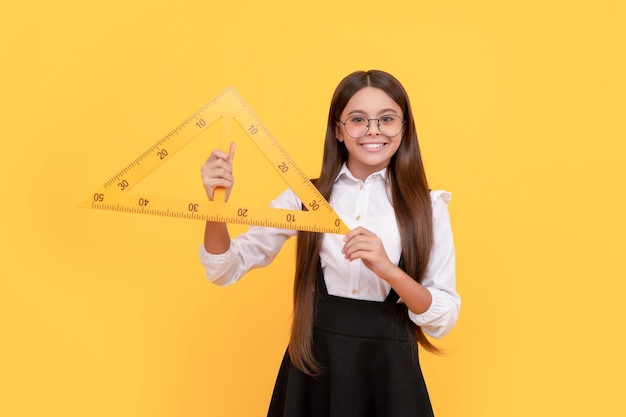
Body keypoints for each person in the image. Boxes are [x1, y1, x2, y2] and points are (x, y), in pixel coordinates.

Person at [199, 70, 460, 417]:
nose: (373, 131)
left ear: (405, 127)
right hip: (315, 374)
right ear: (338, 129)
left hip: (390, 379)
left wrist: (389, 270)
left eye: (386, 119)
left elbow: (442, 317)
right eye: (357, 120)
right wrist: (216, 204)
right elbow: (225, 267)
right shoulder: (305, 198)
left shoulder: (428, 208)